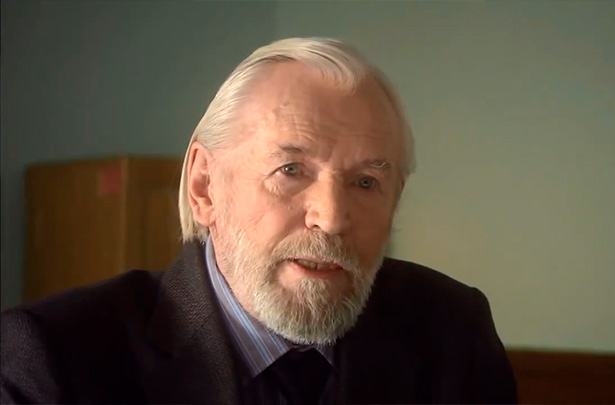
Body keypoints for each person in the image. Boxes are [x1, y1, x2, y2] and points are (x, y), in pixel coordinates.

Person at [0, 37, 517, 404]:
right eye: (290, 170)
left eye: (365, 182)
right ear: (204, 187)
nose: (332, 218)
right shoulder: (54, 360)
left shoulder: (453, 333)